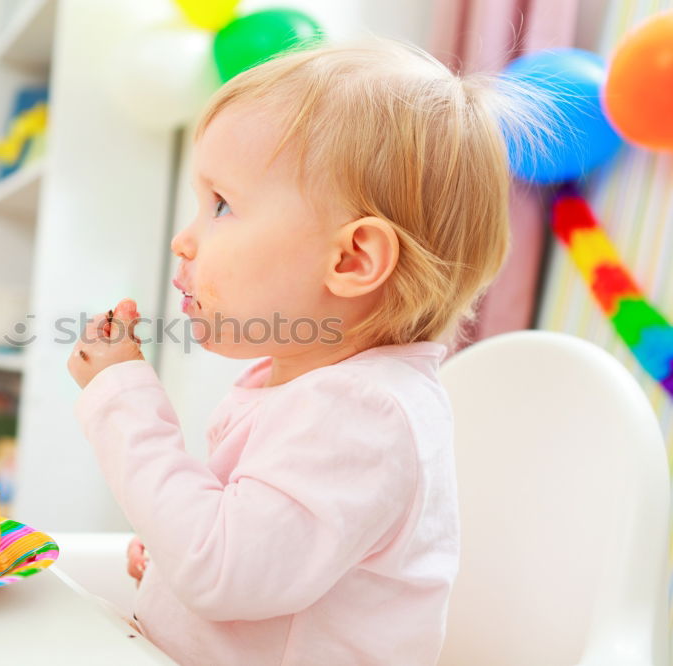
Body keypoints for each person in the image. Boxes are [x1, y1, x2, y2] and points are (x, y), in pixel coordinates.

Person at [67, 37, 546, 666]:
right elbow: (254, 561)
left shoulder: (363, 411)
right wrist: (170, 566)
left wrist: (123, 399)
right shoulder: (311, 386)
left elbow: (222, 570)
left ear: (352, 259)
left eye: (221, 205)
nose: (185, 240)